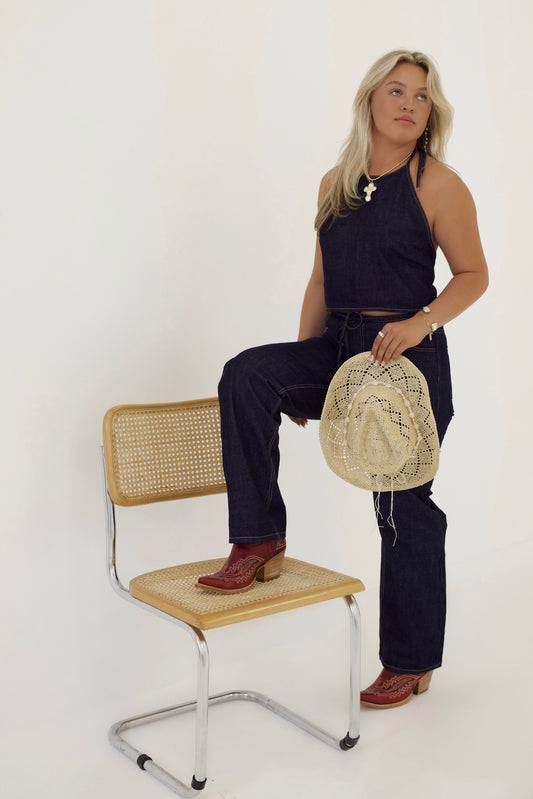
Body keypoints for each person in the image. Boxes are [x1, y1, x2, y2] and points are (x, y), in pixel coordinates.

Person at [197, 50, 488, 708]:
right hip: (338, 347)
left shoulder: (437, 183)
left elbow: (473, 274)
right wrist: (301, 367)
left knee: (400, 504)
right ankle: (257, 536)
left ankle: (409, 660)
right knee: (247, 375)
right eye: (396, 90)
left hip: (402, 361)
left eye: (421, 95)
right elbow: (321, 278)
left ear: (429, 113)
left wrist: (420, 323)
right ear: (369, 100)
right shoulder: (335, 180)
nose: (410, 103)